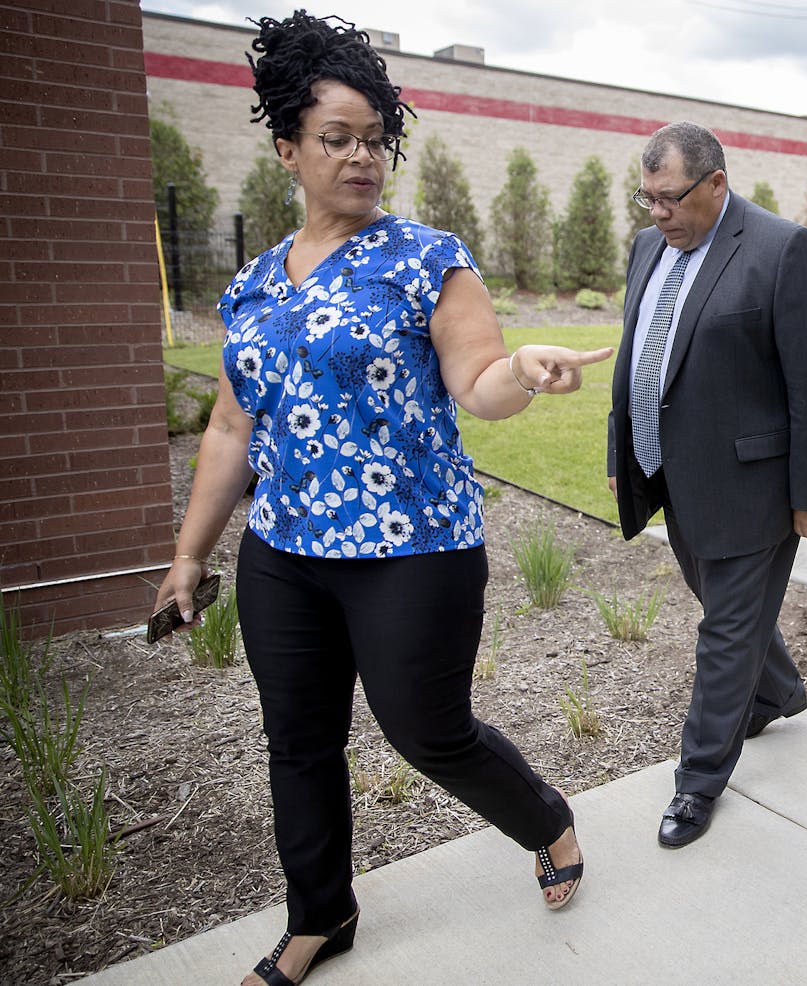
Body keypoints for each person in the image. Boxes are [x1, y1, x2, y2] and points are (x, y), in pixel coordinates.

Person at [150, 13, 610, 986]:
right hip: (285, 553)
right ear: (288, 148)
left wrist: (522, 368)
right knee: (299, 743)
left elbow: (477, 380)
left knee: (427, 729)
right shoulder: (251, 286)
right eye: (337, 138)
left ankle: (546, 818)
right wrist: (190, 552)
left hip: (413, 545)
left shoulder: (423, 256)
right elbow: (232, 428)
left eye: (375, 139)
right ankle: (321, 916)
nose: (362, 157)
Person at [607, 121, 807, 849]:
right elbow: (638, 358)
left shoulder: (781, 248)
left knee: (724, 632)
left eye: (670, 198)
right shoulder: (650, 247)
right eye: (646, 199)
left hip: (754, 486)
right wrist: (624, 450)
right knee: (726, 609)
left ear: (716, 183)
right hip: (674, 475)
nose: (658, 214)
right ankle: (778, 691)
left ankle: (698, 780)